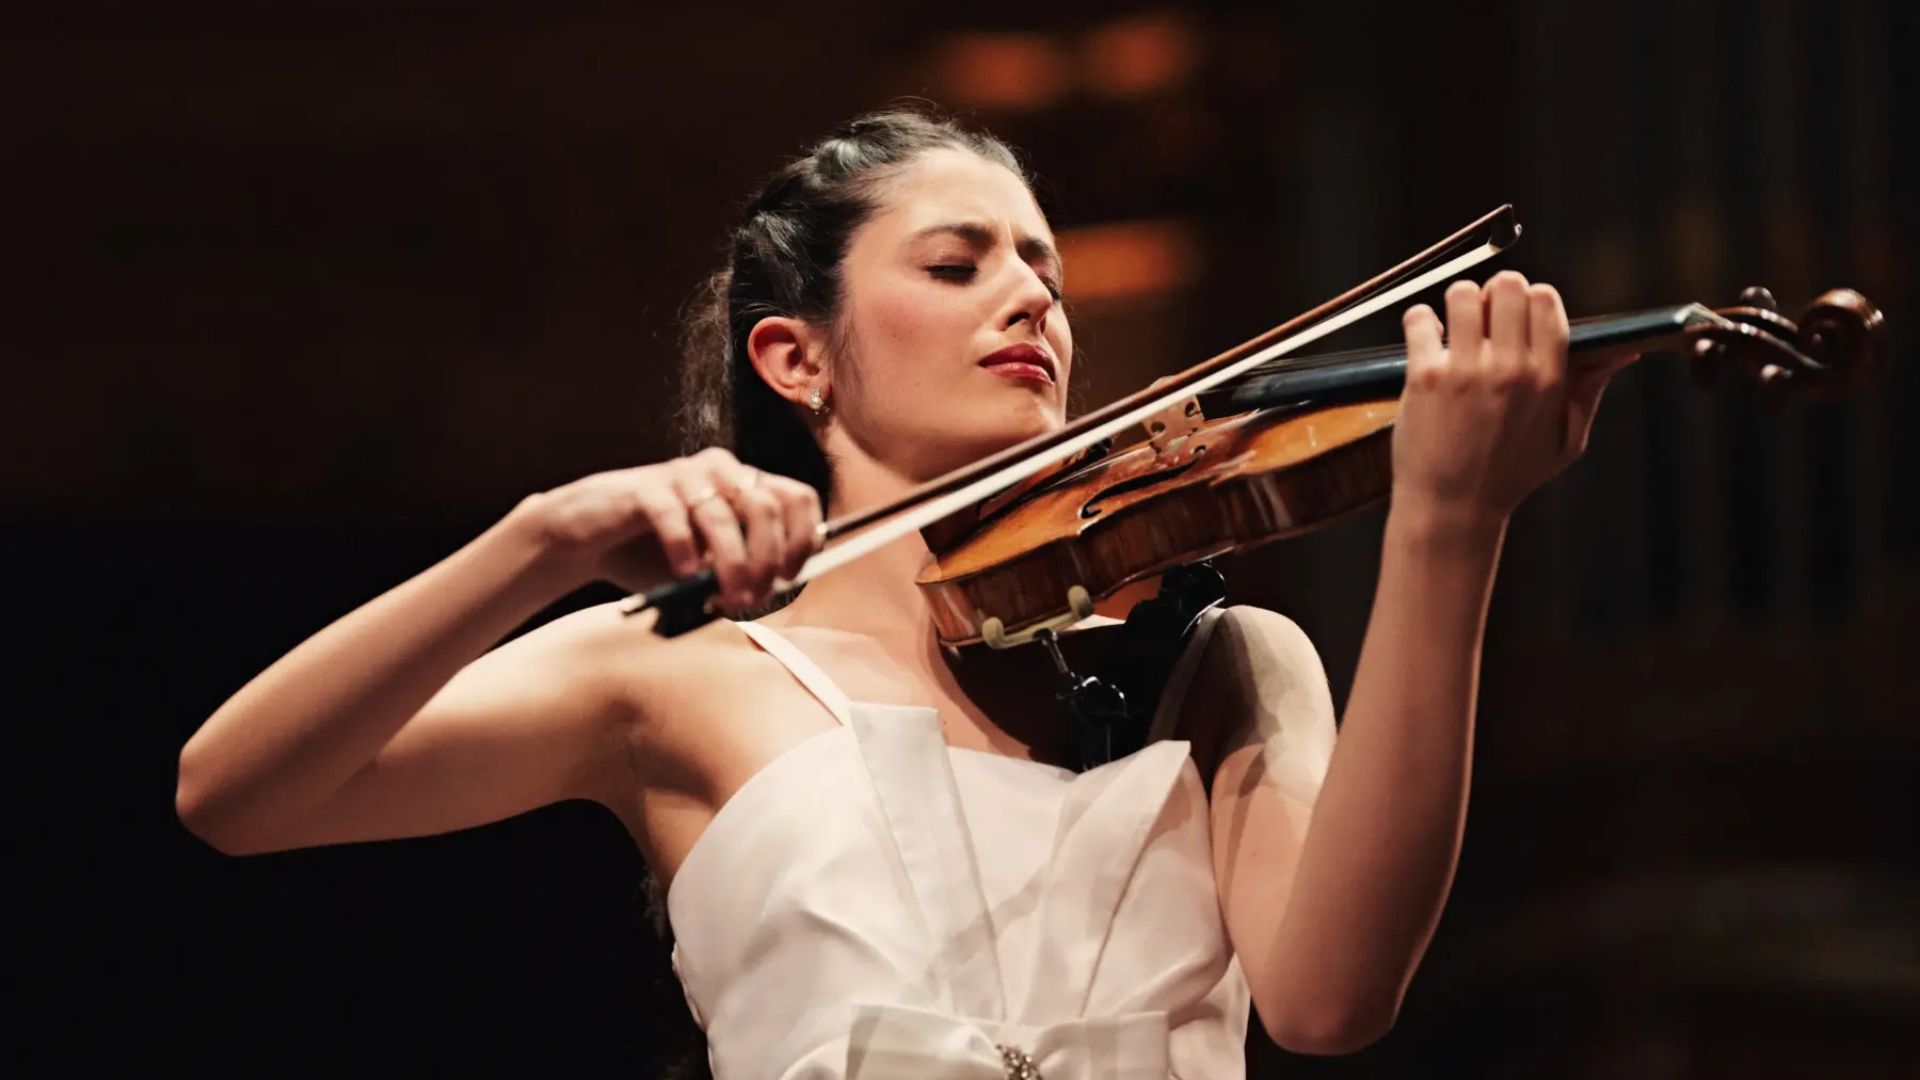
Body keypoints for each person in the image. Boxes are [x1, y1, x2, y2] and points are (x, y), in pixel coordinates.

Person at [176, 107, 1624, 1078]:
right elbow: (237, 793)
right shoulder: (678, 671)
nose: (1033, 295)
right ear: (797, 360)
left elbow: (1329, 1000)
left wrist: (1449, 522)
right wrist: (547, 538)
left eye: (1045, 267)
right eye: (959, 261)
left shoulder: (1214, 660)